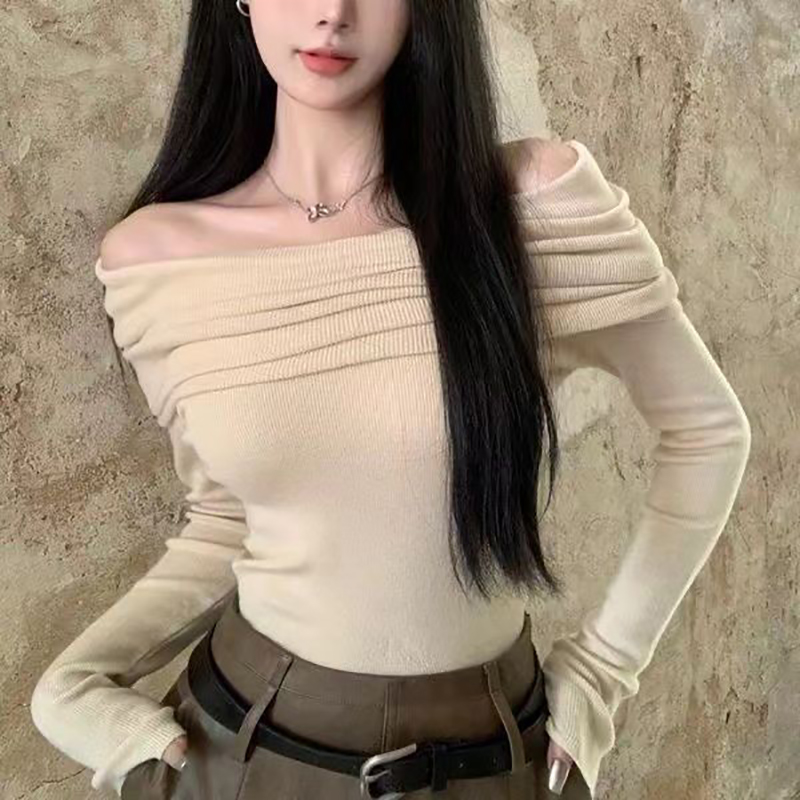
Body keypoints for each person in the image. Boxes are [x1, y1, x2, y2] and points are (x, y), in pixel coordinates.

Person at [30, 1, 752, 798]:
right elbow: (226, 518)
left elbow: (708, 431)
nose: (332, 14)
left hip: (493, 751)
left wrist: (605, 669)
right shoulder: (157, 259)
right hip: (240, 745)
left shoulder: (532, 206)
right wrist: (71, 681)